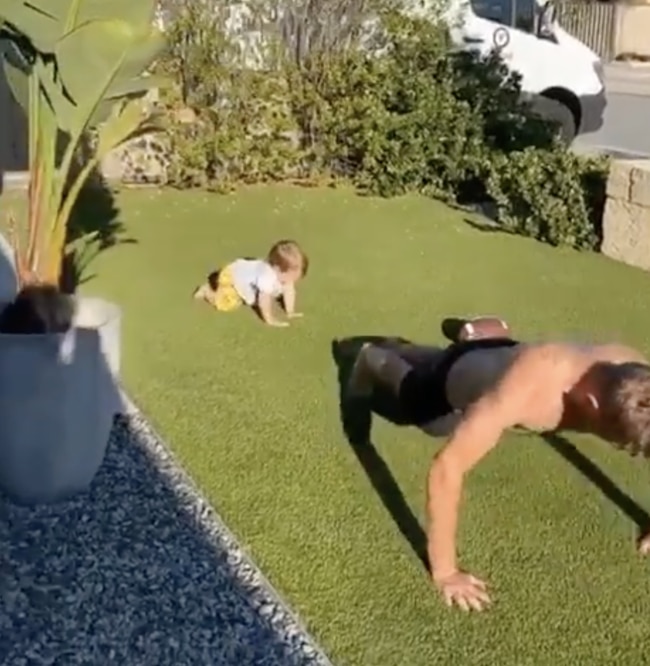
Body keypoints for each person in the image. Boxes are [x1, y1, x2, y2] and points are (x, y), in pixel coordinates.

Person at [345, 316, 650, 612]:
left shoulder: (636, 377)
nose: (622, 449)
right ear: (591, 404)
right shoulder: (533, 387)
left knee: (468, 362)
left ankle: (477, 336)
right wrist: (446, 572)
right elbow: (447, 468)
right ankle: (371, 358)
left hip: (500, 358)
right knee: (426, 415)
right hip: (453, 387)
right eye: (620, 443)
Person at [193, 239, 309, 327]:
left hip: (245, 272)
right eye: (291, 277)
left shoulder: (283, 276)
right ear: (278, 269)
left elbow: (289, 290)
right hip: (233, 277)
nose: (292, 282)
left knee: (276, 287)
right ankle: (207, 292)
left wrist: (290, 312)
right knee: (228, 303)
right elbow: (264, 301)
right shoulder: (266, 277)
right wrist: (269, 319)